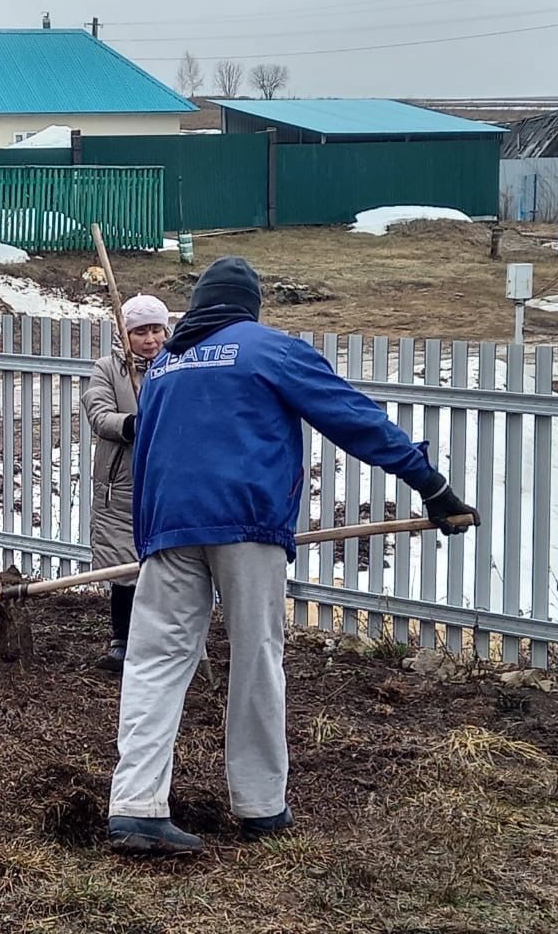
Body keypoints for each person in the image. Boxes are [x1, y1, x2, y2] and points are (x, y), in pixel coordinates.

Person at [107, 256, 479, 855]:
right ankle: (259, 806)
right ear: (249, 305)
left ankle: (135, 807)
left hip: (169, 528)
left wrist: (148, 535)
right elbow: (352, 418)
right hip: (247, 522)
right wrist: (430, 485)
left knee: (154, 664)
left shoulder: (164, 365)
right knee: (255, 658)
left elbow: (147, 450)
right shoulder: (265, 348)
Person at [81, 294, 169, 673]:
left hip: (168, 478)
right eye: (140, 332)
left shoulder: (177, 363)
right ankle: (121, 639)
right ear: (124, 334)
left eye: (156, 330)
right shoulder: (108, 369)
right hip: (122, 482)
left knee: (168, 564)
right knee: (124, 565)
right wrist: (131, 425)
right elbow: (98, 414)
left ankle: (165, 641)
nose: (150, 340)